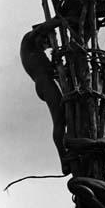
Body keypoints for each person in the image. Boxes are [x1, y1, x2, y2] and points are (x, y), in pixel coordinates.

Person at [20, 18, 69, 174]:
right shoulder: (28, 40)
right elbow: (44, 28)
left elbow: (54, 70)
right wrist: (61, 19)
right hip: (44, 83)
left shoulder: (38, 52)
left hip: (47, 82)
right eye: (46, 41)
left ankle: (71, 150)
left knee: (67, 117)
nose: (45, 45)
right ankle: (64, 159)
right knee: (60, 120)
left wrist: (57, 59)